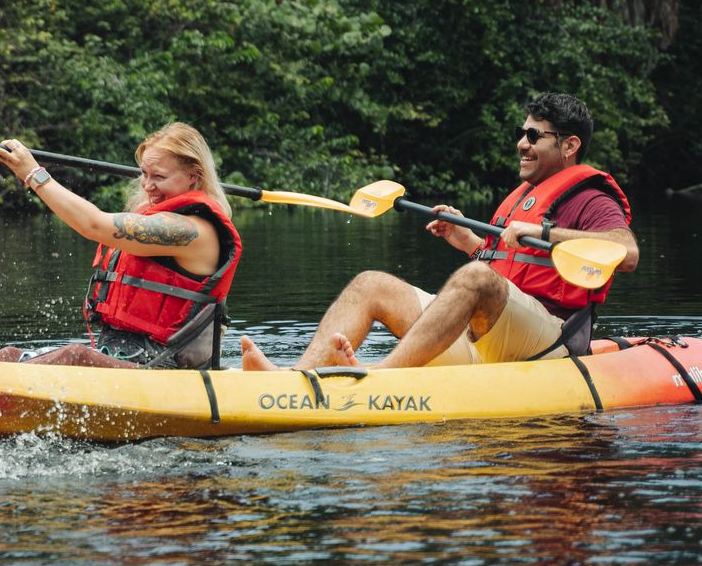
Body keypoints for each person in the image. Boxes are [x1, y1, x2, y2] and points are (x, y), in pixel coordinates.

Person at [240, 92, 638, 371]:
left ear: (570, 145)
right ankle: (295, 376)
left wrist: (546, 233)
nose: (522, 143)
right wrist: (471, 244)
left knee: (477, 279)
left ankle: (381, 375)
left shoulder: (591, 197)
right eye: (522, 133)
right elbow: (507, 272)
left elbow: (628, 252)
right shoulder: (526, 195)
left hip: (548, 340)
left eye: (534, 136)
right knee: (369, 283)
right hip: (492, 333)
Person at [0, 123, 241, 370]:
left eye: (159, 177)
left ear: (194, 177)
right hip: (129, 354)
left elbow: (94, 225)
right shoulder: (162, 213)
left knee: (74, 356)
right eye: (143, 174)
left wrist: (32, 174)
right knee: (14, 353)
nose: (148, 186)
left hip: (165, 368)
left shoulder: (190, 231)